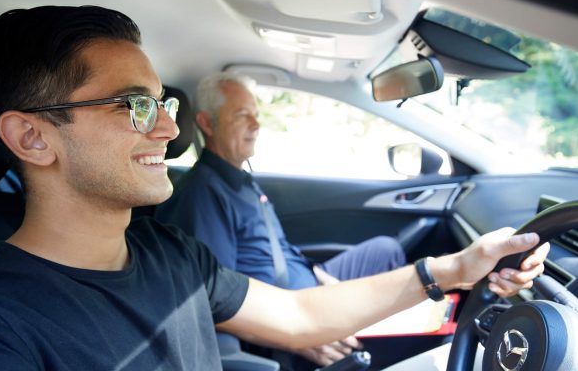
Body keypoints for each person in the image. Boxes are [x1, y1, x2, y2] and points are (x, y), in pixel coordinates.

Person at [0, 5, 548, 371]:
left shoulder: (171, 254)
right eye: (135, 106)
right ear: (32, 138)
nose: (169, 128)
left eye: (164, 102)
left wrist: (457, 267)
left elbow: (299, 318)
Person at [153, 71, 409, 367]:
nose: (256, 124)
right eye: (242, 115)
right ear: (206, 123)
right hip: (282, 320)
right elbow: (210, 299)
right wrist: (300, 339)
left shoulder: (239, 180)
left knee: (385, 251)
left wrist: (322, 280)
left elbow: (278, 249)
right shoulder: (202, 194)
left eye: (256, 114)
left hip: (304, 292)